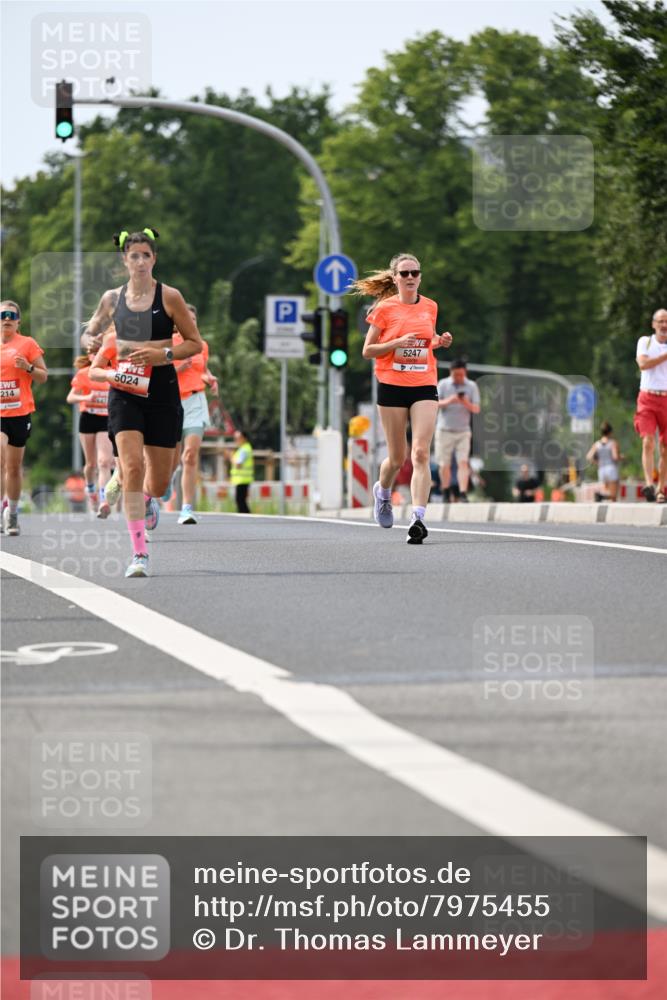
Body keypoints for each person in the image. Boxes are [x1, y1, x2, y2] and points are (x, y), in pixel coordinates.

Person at [86, 228, 202, 577]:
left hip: (163, 389)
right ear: (124, 260)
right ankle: (139, 554)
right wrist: (91, 342)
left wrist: (162, 353)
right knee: (132, 467)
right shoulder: (111, 299)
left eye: (145, 255)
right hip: (124, 392)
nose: (139, 261)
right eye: (133, 255)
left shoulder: (170, 297)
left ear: (154, 260)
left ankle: (150, 499)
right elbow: (90, 330)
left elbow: (194, 343)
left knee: (158, 482)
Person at [354, 253, 453, 543]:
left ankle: (417, 518)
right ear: (395, 278)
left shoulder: (430, 307)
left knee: (421, 453)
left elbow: (427, 340)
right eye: (405, 273)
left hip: (424, 383)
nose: (410, 278)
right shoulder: (384, 309)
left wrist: (439, 341)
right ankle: (382, 493)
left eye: (415, 273)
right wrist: (396, 343)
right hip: (392, 385)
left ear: (420, 277)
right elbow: (367, 350)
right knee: (397, 458)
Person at [0, 300, 48, 536]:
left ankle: (13, 514)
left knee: (14, 467)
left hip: (20, 413)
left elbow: (43, 376)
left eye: (11, 315)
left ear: (18, 321)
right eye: (2, 315)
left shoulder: (27, 344)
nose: (6, 319)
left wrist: (28, 367)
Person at [170, 303, 219, 524]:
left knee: (190, 455)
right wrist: (177, 369)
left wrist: (210, 378)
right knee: (170, 460)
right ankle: (165, 482)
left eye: (193, 321)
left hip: (196, 401)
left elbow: (203, 369)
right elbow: (156, 374)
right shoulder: (167, 344)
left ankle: (187, 508)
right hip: (170, 403)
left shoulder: (201, 345)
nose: (189, 324)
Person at [66, 350, 114, 517]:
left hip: (105, 419)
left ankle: (103, 501)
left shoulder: (112, 372)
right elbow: (70, 398)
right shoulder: (84, 373)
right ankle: (91, 489)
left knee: (104, 462)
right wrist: (86, 397)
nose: (96, 356)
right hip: (88, 418)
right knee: (91, 464)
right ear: (91, 356)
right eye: (94, 353)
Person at [436, 359, 480, 503]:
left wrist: (465, 402)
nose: (458, 378)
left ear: (465, 373)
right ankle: (445, 490)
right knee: (444, 464)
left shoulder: (472, 386)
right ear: (451, 373)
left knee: (463, 462)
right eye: (456, 375)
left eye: (461, 375)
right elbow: (434, 404)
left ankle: (462, 492)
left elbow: (477, 409)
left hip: (463, 431)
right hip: (445, 430)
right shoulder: (443, 384)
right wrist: (450, 400)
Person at [634, 308, 667, 503]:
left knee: (665, 448)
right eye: (661, 321)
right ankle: (648, 483)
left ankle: (661, 488)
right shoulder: (645, 342)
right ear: (654, 324)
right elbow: (643, 364)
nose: (664, 325)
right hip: (647, 397)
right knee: (648, 441)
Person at [586, 422, 621, 502]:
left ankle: (601, 497)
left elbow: (589, 456)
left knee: (606, 491)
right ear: (610, 432)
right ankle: (601, 497)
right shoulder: (612, 443)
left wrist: (597, 462)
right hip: (611, 469)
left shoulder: (597, 444)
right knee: (613, 496)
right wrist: (621, 457)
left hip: (601, 469)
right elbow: (615, 457)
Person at [226, 428, 254, 513]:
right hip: (242, 479)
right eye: (235, 438)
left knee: (240, 501)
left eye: (238, 438)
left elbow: (238, 464)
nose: (236, 440)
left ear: (244, 438)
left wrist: (230, 456)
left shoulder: (244, 450)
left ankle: (247, 517)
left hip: (242, 479)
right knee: (241, 500)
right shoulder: (244, 448)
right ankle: (247, 516)